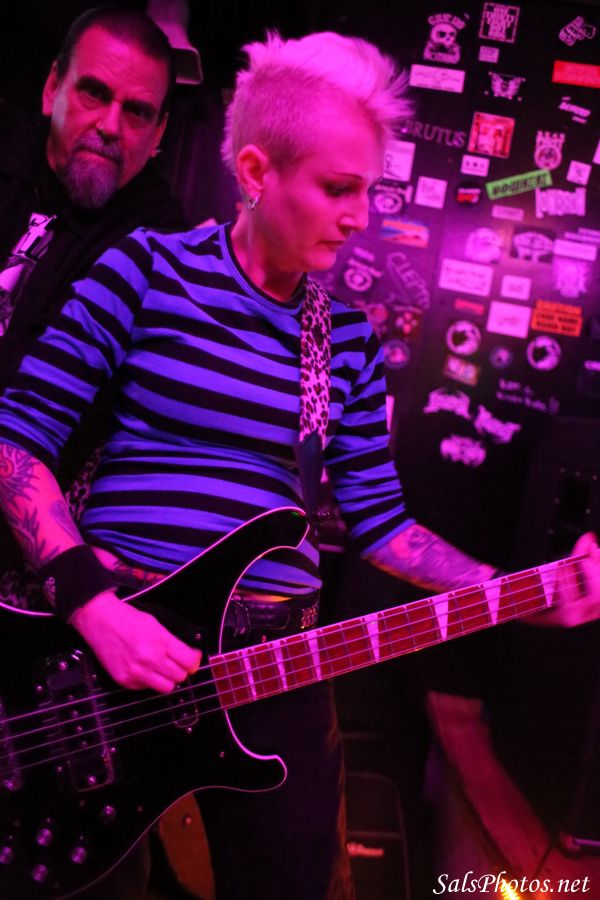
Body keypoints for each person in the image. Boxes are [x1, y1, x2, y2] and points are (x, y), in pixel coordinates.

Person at [0, 29, 598, 900]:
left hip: (276, 670)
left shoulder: (344, 340)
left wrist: (515, 592)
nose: (360, 216)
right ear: (255, 172)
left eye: (369, 190)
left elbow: (384, 527)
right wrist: (90, 605)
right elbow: (17, 441)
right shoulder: (143, 271)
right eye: (338, 188)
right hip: (111, 655)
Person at [0, 4, 188, 598]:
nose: (110, 125)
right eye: (93, 93)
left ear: (159, 135)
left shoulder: (161, 247)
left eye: (137, 112)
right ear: (52, 88)